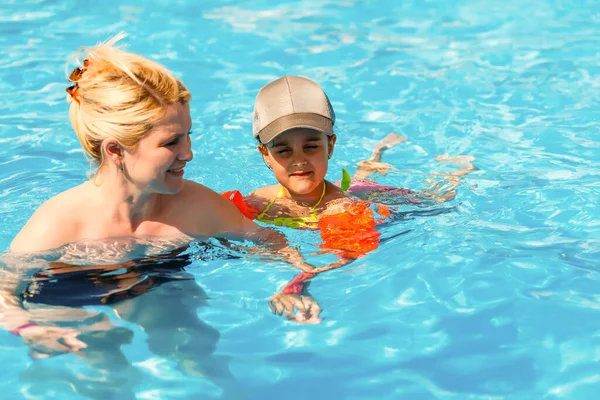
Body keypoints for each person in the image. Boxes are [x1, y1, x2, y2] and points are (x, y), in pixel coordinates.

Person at [0, 34, 316, 391]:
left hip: (154, 278)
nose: (188, 154)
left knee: (197, 349)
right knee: (103, 362)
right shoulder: (61, 221)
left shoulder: (196, 206)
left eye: (188, 136)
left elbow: (273, 243)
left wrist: (296, 285)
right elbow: (3, 289)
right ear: (116, 150)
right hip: (66, 288)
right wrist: (28, 328)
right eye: (171, 143)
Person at [224, 75, 476, 323]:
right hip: (351, 188)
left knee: (435, 199)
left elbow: (347, 256)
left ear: (330, 146)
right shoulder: (258, 200)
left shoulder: (342, 209)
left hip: (366, 197)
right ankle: (375, 156)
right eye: (283, 150)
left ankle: (459, 170)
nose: (298, 160)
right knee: (359, 179)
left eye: (311, 146)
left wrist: (298, 283)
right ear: (265, 155)